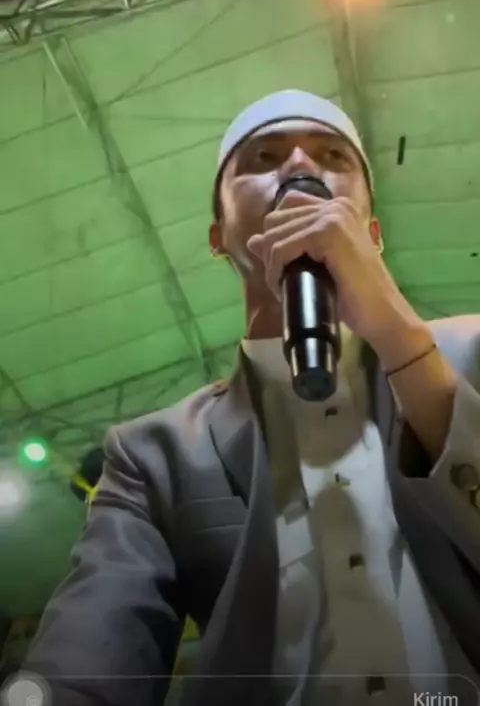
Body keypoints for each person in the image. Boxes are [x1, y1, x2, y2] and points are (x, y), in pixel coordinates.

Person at [19, 90, 480, 706]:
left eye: (332, 155)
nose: (300, 165)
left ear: (371, 231)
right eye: (263, 157)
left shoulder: (472, 355)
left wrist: (401, 339)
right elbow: (88, 656)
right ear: (218, 236)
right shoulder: (152, 455)